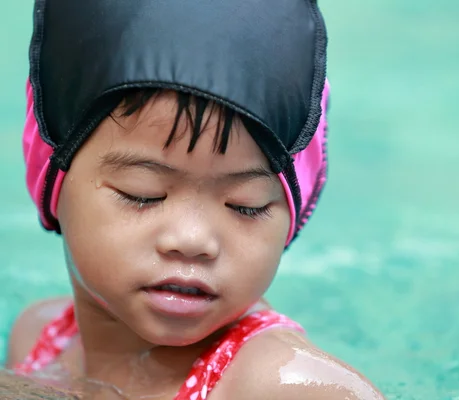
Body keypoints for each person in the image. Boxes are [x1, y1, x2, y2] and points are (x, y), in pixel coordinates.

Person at [4, 0, 384, 399]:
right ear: (51, 180)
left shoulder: (282, 386)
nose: (193, 239)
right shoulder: (39, 340)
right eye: (143, 194)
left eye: (246, 205)